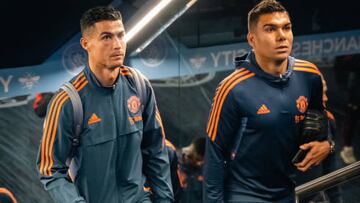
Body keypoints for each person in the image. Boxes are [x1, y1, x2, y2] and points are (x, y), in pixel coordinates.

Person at [36, 6, 173, 203]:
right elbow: (50, 169)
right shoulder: (68, 101)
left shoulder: (139, 85)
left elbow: (156, 150)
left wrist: (164, 200)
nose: (117, 45)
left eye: (120, 35)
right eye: (106, 37)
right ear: (86, 44)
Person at [203, 0, 333, 202]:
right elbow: (215, 156)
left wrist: (327, 143)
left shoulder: (310, 75)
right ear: (252, 39)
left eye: (286, 28)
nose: (281, 36)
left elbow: (320, 120)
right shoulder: (232, 89)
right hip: (244, 194)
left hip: (290, 192)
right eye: (270, 29)